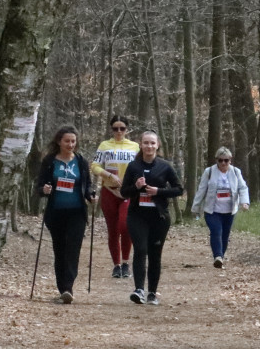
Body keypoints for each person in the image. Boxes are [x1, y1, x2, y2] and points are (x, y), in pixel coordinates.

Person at [120, 130, 183, 305]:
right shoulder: (133, 166)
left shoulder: (165, 166)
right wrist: (136, 186)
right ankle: (139, 289)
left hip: (159, 217)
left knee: (155, 254)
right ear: (140, 144)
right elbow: (124, 192)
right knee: (140, 249)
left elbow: (179, 189)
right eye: (146, 143)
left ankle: (152, 293)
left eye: (152, 143)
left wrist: (159, 191)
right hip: (137, 215)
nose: (149, 146)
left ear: (157, 145)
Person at [35, 126, 96, 303]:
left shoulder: (81, 161)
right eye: (67, 141)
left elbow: (88, 185)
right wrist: (44, 189)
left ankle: (68, 287)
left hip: (77, 212)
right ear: (59, 142)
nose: (70, 144)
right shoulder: (49, 161)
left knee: (73, 250)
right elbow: (39, 186)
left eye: (73, 141)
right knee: (59, 249)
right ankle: (62, 287)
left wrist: (91, 195)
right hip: (56, 212)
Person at [93, 115, 140, 279]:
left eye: (122, 128)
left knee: (125, 226)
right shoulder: (105, 145)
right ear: (111, 129)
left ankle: (126, 263)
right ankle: (117, 265)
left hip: (128, 192)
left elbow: (140, 167)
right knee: (113, 230)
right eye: (115, 128)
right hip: (109, 191)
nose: (119, 131)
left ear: (127, 129)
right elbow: (95, 166)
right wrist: (107, 175)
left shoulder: (134, 147)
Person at [190, 147, 250, 268]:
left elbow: (242, 187)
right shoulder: (209, 171)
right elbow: (201, 190)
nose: (223, 163)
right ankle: (217, 256)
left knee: (225, 234)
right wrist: (195, 207)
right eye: (220, 160)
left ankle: (221, 257)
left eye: (226, 160)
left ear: (230, 160)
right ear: (216, 160)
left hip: (229, 210)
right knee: (216, 231)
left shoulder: (235, 172)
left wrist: (245, 202)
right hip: (212, 210)